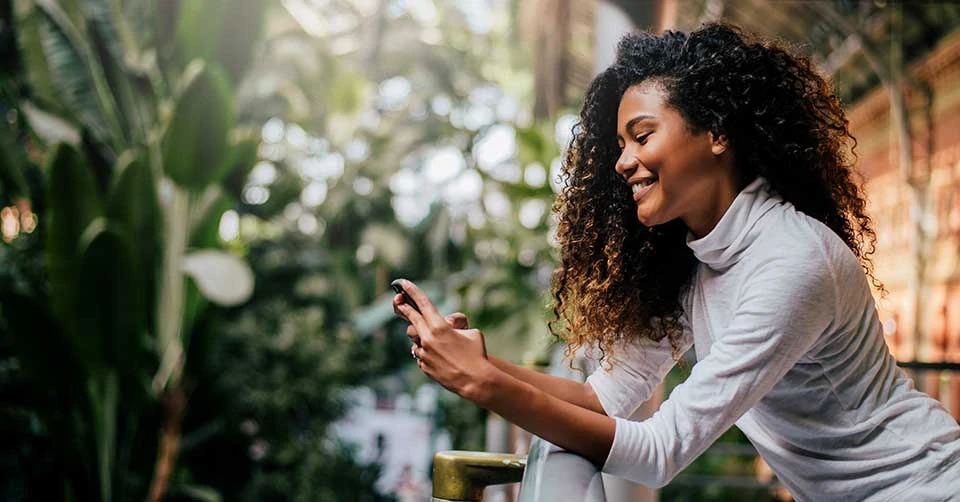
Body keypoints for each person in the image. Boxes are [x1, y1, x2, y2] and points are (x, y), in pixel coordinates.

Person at [392, 22, 960, 500]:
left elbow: (661, 450)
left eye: (642, 136)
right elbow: (602, 398)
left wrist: (486, 387)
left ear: (716, 132)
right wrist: (486, 367)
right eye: (620, 145)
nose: (623, 162)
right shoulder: (701, 258)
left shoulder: (791, 261)